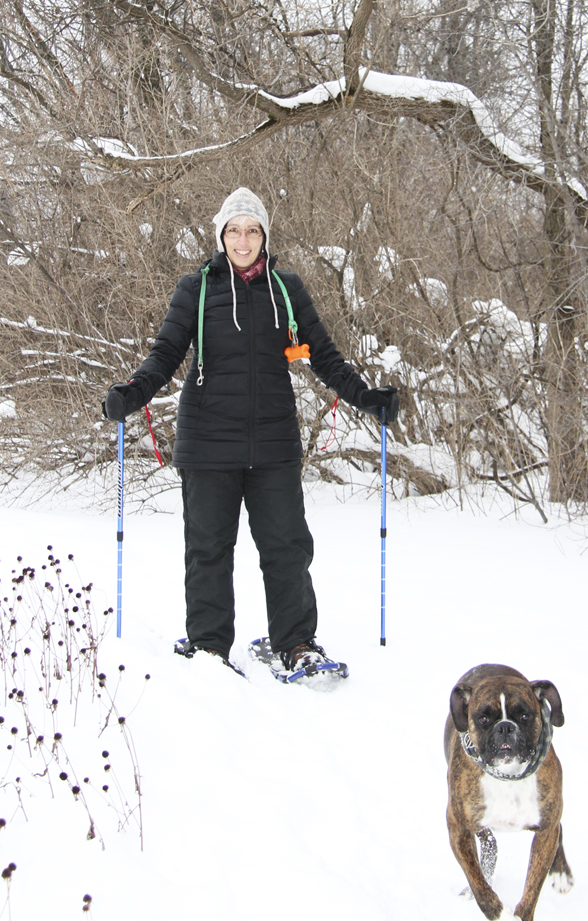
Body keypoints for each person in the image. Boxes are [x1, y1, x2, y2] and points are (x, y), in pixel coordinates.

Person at [103, 187, 398, 676]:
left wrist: (366, 397)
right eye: (234, 230)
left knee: (287, 546)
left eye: (253, 230)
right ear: (221, 236)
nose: (243, 240)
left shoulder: (287, 290)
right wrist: (132, 392)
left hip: (273, 442)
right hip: (207, 442)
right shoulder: (194, 289)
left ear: (265, 236)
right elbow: (166, 354)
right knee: (209, 549)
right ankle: (209, 647)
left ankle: (297, 643)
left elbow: (323, 355)